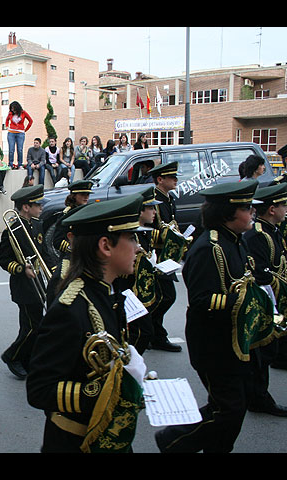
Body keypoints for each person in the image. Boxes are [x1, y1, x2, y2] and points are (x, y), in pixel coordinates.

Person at [155, 180, 276, 453]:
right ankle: (173, 441)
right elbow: (201, 301)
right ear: (226, 214)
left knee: (232, 406)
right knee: (228, 409)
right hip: (214, 344)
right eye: (246, 208)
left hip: (234, 340)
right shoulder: (209, 248)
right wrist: (243, 302)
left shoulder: (235, 241)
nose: (252, 213)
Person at [26, 194, 148, 453]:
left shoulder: (107, 292)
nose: (138, 247)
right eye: (132, 238)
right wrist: (113, 389)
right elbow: (39, 389)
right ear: (106, 245)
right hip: (75, 442)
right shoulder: (72, 307)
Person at [0, 184, 54, 379]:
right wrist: (22, 269)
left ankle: (28, 360)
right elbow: (3, 260)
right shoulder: (12, 230)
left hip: (38, 281)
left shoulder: (36, 225)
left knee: (35, 325)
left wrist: (54, 274)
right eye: (37, 204)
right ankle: (12, 356)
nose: (41, 207)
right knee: (32, 326)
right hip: (23, 284)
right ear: (26, 207)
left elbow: (44, 252)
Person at [241, 183, 287, 416]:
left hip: (273, 299)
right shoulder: (258, 235)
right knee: (261, 351)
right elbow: (261, 273)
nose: (286, 209)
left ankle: (258, 395)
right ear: (272, 209)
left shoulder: (272, 230)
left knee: (267, 351)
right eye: (283, 205)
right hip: (265, 300)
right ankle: (258, 398)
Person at [115, 186, 161, 355]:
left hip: (140, 291)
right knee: (140, 332)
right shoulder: (134, 235)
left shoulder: (144, 233)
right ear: (140, 212)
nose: (155, 212)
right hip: (129, 291)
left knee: (143, 332)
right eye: (150, 208)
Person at [148, 161, 183, 352]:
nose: (176, 180)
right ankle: (151, 331)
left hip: (167, 255)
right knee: (166, 296)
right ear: (160, 180)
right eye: (172, 177)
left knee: (164, 296)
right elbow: (151, 230)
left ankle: (155, 333)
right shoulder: (155, 200)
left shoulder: (168, 198)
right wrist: (167, 236)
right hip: (157, 254)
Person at [51, 180, 93, 260]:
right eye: (82, 194)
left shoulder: (89, 212)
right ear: (74, 196)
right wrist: (72, 248)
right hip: (72, 257)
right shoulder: (67, 214)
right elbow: (57, 241)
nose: (86, 197)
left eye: (88, 194)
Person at [5, 100, 33, 169]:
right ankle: (10, 164)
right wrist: (7, 126)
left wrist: (25, 130)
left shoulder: (23, 113)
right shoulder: (10, 114)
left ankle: (20, 164)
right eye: (11, 108)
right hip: (11, 133)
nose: (12, 110)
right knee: (11, 149)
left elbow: (30, 121)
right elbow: (6, 120)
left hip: (20, 133)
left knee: (20, 149)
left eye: (13, 108)